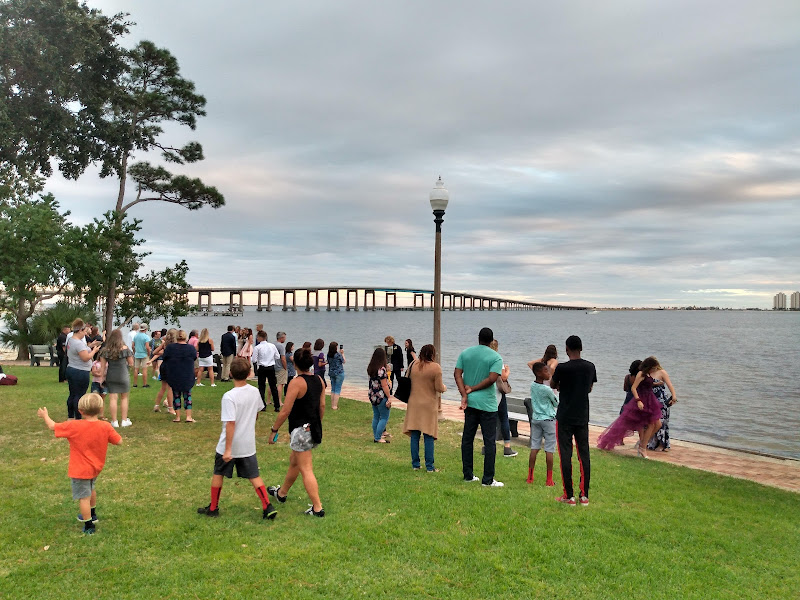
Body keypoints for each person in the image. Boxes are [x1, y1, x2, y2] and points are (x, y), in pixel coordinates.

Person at [197, 358, 278, 520]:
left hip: (230, 445)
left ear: (231, 373)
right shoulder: (255, 392)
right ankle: (267, 506)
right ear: (249, 373)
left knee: (218, 472)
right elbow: (255, 414)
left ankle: (213, 508)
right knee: (254, 475)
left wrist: (228, 449)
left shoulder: (229, 396)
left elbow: (230, 423)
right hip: (247, 444)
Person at [37, 393, 122, 534]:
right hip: (96, 468)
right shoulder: (105, 426)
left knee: (84, 497)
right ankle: (93, 514)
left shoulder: (74, 426)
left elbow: (53, 426)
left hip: (80, 470)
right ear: (101, 410)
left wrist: (45, 415)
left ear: (80, 411)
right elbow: (119, 441)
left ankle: (89, 525)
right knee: (91, 489)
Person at [267, 348, 326, 517]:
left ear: (295, 364)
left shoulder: (296, 382)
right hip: (313, 428)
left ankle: (317, 508)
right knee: (295, 461)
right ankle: (282, 494)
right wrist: (317, 424)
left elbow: (285, 411)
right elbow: (322, 406)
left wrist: (274, 430)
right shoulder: (319, 380)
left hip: (301, 431)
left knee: (306, 468)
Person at [454, 327, 504, 487]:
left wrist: (464, 393)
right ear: (491, 341)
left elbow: (457, 373)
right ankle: (487, 480)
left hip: (471, 403)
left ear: (478, 338)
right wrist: (473, 388)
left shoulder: (465, 353)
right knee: (489, 441)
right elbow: (491, 379)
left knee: (467, 438)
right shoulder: (496, 357)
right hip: (488, 405)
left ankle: (468, 475)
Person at [551, 335, 596, 506]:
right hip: (582, 415)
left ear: (566, 349)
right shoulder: (590, 367)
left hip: (564, 416)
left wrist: (563, 387)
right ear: (581, 348)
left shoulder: (562, 368)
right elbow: (589, 388)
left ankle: (568, 495)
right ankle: (584, 496)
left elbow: (553, 385)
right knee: (583, 455)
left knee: (565, 454)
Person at [597, 356, 664, 458]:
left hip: (650, 399)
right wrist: (638, 401)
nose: (654, 370)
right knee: (627, 423)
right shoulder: (640, 374)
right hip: (641, 400)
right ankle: (642, 447)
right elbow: (634, 388)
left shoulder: (648, 375)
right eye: (653, 368)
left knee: (657, 424)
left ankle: (642, 445)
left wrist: (656, 383)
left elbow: (646, 384)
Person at [402, 344, 446, 472]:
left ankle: (415, 464)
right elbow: (438, 387)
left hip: (414, 403)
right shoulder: (436, 368)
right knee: (428, 435)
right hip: (428, 405)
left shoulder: (414, 365)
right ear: (432, 354)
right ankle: (430, 466)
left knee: (415, 434)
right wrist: (445, 388)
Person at [527, 362, 558, 486]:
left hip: (536, 418)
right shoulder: (547, 389)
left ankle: (530, 477)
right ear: (539, 373)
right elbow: (556, 403)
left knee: (535, 447)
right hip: (548, 420)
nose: (549, 373)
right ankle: (549, 479)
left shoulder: (533, 386)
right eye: (546, 371)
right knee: (549, 449)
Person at [65, 319, 101, 419]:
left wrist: (90, 345)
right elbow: (85, 358)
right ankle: (78, 416)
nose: (85, 334)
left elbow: (81, 349)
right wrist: (94, 351)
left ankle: (70, 416)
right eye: (85, 331)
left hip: (71, 368)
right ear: (80, 330)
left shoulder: (71, 340)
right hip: (80, 371)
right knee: (79, 395)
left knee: (72, 394)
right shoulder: (78, 343)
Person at [98, 329, 134, 428]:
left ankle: (114, 421)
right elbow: (131, 363)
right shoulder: (125, 349)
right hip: (123, 374)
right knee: (124, 398)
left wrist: (101, 378)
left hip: (111, 375)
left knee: (113, 398)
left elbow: (102, 367)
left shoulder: (105, 351)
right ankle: (124, 420)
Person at [162, 330, 197, 423]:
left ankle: (177, 417)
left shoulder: (170, 348)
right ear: (185, 337)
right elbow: (194, 357)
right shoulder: (191, 348)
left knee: (176, 395)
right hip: (187, 374)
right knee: (187, 395)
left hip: (174, 374)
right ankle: (188, 416)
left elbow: (165, 357)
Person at [489, 339, 516, 458]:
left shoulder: (485, 358)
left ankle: (488, 445)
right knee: (504, 418)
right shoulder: (497, 358)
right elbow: (503, 377)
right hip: (498, 393)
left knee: (489, 420)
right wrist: (508, 370)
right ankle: (507, 447)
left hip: (487, 392)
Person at [647, 364, 677, 452]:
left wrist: (674, 396)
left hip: (661, 400)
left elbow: (669, 385)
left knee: (663, 421)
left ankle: (663, 444)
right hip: (650, 400)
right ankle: (652, 442)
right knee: (653, 422)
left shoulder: (662, 372)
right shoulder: (647, 373)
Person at [367, 347, 393, 443]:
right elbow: (384, 385)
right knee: (384, 417)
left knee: (376, 416)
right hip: (381, 396)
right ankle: (378, 437)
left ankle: (376, 435)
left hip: (372, 395)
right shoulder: (381, 370)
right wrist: (389, 397)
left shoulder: (371, 368)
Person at [149, 328, 176, 414]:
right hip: (171, 366)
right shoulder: (176, 345)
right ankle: (170, 407)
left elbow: (154, 352)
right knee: (170, 388)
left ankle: (156, 405)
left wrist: (162, 349)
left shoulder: (165, 344)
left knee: (163, 387)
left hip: (164, 366)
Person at [252, 330, 280, 411]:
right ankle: (277, 406)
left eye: (257, 337)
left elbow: (254, 360)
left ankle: (262, 405)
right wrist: (270, 358)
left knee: (261, 387)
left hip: (262, 367)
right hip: (271, 367)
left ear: (260, 338)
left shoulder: (257, 347)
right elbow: (277, 356)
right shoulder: (272, 346)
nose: (257, 338)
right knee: (273, 386)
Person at [132, 323, 151, 388]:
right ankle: (145, 384)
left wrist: (135, 352)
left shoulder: (136, 336)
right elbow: (147, 347)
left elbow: (133, 346)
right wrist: (149, 353)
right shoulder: (146, 337)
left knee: (136, 369)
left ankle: (135, 384)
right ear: (146, 329)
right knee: (144, 369)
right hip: (144, 354)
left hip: (137, 354)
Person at [327, 341, 345, 410]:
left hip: (332, 373)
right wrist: (342, 353)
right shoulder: (338, 355)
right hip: (339, 373)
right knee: (337, 389)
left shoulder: (329, 355)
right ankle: (335, 406)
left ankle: (332, 404)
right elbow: (343, 361)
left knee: (333, 389)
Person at [273, 331, 288, 405]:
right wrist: (285, 367)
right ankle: (279, 400)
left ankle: (269, 400)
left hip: (273, 365)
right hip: (280, 366)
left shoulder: (273, 344)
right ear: (281, 338)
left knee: (272, 383)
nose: (285, 339)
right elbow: (283, 358)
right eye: (284, 337)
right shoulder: (281, 346)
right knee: (280, 384)